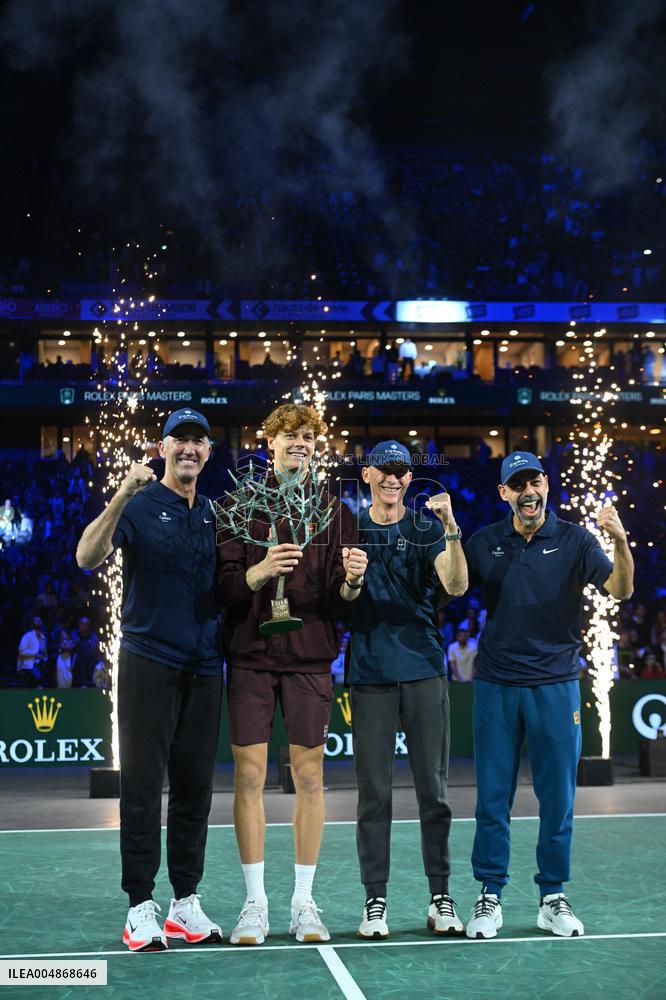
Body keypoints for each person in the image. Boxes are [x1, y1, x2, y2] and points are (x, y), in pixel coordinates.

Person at [463, 451, 633, 940]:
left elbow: (621, 589)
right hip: (496, 686)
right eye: (517, 485)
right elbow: (452, 586)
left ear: (546, 485)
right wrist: (449, 533)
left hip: (557, 685)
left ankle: (551, 896)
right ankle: (489, 894)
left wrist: (619, 541)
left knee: (557, 799)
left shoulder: (578, 540)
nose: (528, 492)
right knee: (493, 799)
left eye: (534, 481)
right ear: (504, 494)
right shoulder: (484, 542)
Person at [217, 403, 367, 946]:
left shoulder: (335, 512)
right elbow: (225, 589)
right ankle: (254, 904)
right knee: (251, 776)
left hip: (309, 658)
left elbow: (344, 601)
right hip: (252, 655)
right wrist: (258, 572)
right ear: (269, 442)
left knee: (309, 777)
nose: (300, 443)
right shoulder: (237, 505)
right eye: (290, 436)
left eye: (309, 436)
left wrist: (352, 581)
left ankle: (304, 902)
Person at [76, 407, 223, 953]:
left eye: (198, 441)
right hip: (147, 663)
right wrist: (120, 495)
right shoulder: (138, 505)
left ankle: (186, 902)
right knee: (141, 789)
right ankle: (140, 905)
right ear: (163, 448)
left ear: (208, 451)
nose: (189, 448)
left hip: (206, 667)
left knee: (195, 791)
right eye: (179, 440)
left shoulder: (214, 512)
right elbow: (87, 556)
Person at [347, 441, 468, 939]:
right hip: (370, 672)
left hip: (423, 669)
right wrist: (352, 583)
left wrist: (452, 529)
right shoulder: (350, 528)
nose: (395, 479)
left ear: (409, 478)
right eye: (387, 471)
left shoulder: (426, 527)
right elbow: (343, 596)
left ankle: (441, 897)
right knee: (373, 795)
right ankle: (375, 903)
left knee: (432, 792)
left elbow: (456, 586)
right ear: (369, 474)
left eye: (403, 472)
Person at [17, 615, 47, 686]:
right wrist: (35, 655)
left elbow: (44, 651)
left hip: (41, 664)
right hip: (29, 664)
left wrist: (45, 658)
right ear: (32, 624)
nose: (38, 622)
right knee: (36, 679)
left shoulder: (43, 637)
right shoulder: (27, 636)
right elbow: (21, 651)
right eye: (36, 621)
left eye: (40, 621)